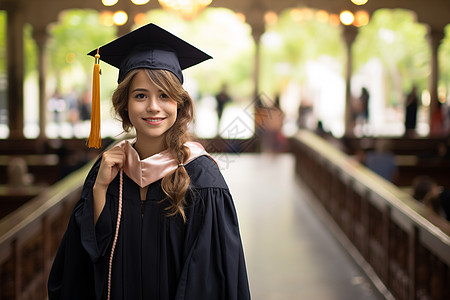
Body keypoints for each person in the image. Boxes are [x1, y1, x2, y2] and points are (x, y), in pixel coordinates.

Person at [48, 23, 251, 300]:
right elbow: (81, 263)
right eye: (140, 95)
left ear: (179, 105)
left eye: (164, 95)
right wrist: (99, 190)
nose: (153, 106)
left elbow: (209, 277)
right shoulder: (108, 170)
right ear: (125, 105)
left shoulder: (203, 178)